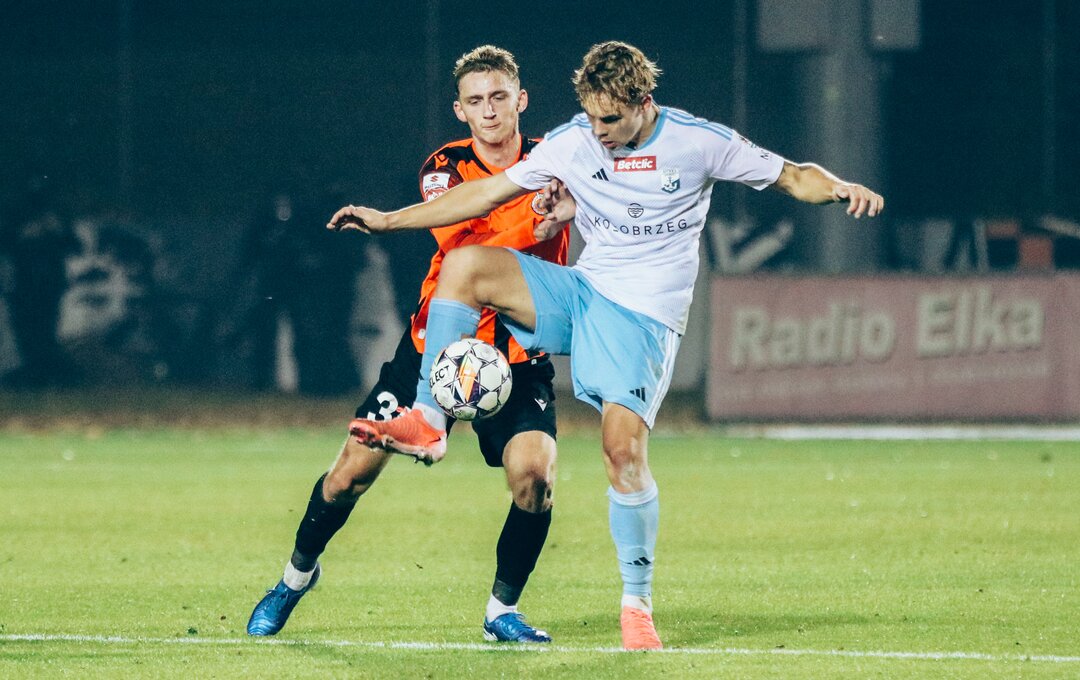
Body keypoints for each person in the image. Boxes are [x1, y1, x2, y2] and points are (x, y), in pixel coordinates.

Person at [332, 41, 885, 650]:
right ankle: (430, 422)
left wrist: (842, 188)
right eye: (591, 117)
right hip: (583, 292)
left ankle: (636, 604)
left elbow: (793, 176)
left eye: (610, 120)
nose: (598, 131)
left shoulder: (698, 142)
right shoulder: (576, 138)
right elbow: (482, 196)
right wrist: (388, 220)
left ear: (644, 102)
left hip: (643, 319)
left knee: (622, 454)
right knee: (465, 266)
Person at [247, 45, 574, 643]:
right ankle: (294, 579)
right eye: (476, 101)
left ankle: (501, 611)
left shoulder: (557, 159)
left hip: (517, 357)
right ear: (460, 110)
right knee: (347, 477)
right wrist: (539, 218)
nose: (489, 110)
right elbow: (466, 244)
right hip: (434, 352)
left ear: (521, 100)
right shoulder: (445, 167)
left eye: (499, 97)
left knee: (536, 478)